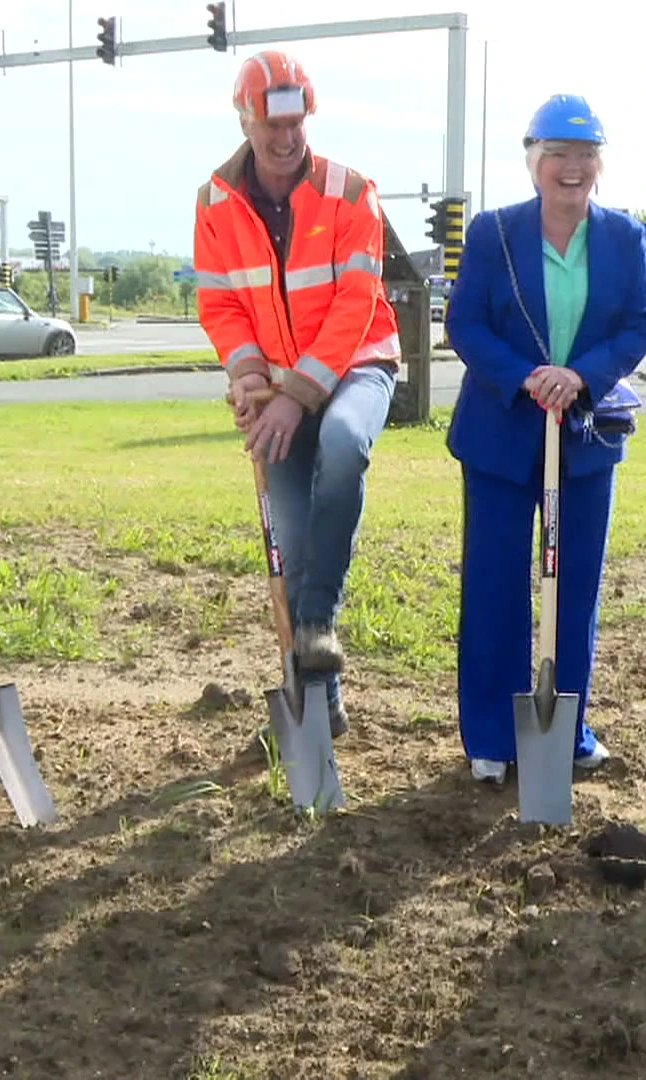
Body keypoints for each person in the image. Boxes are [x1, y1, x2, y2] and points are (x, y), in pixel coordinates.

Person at [444, 94, 646, 784]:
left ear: (600, 165)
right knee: (496, 587)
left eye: (585, 156)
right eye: (558, 155)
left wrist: (580, 377)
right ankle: (490, 738)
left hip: (587, 440)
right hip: (502, 437)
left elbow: (637, 327)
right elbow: (466, 325)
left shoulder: (624, 238)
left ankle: (566, 733)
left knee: (574, 593)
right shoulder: (493, 234)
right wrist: (530, 378)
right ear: (534, 162)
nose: (572, 169)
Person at [195, 49, 401, 738]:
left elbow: (354, 301)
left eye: (297, 123)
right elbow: (222, 304)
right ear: (245, 119)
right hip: (278, 380)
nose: (286, 139)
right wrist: (249, 375)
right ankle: (319, 700)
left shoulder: (349, 191)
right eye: (270, 126)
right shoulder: (214, 204)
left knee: (343, 446)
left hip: (358, 362)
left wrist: (298, 393)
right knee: (289, 533)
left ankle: (316, 622)